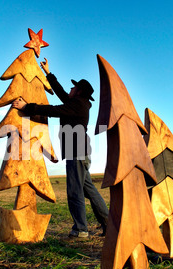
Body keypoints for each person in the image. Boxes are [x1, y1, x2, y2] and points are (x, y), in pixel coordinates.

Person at [12, 58, 108, 238]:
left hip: (77, 153)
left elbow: (53, 110)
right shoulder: (77, 104)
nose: (70, 89)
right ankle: (109, 224)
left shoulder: (78, 106)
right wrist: (49, 73)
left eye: (73, 87)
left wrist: (27, 107)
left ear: (79, 92)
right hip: (80, 153)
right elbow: (62, 93)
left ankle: (80, 229)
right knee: (89, 190)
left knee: (75, 191)